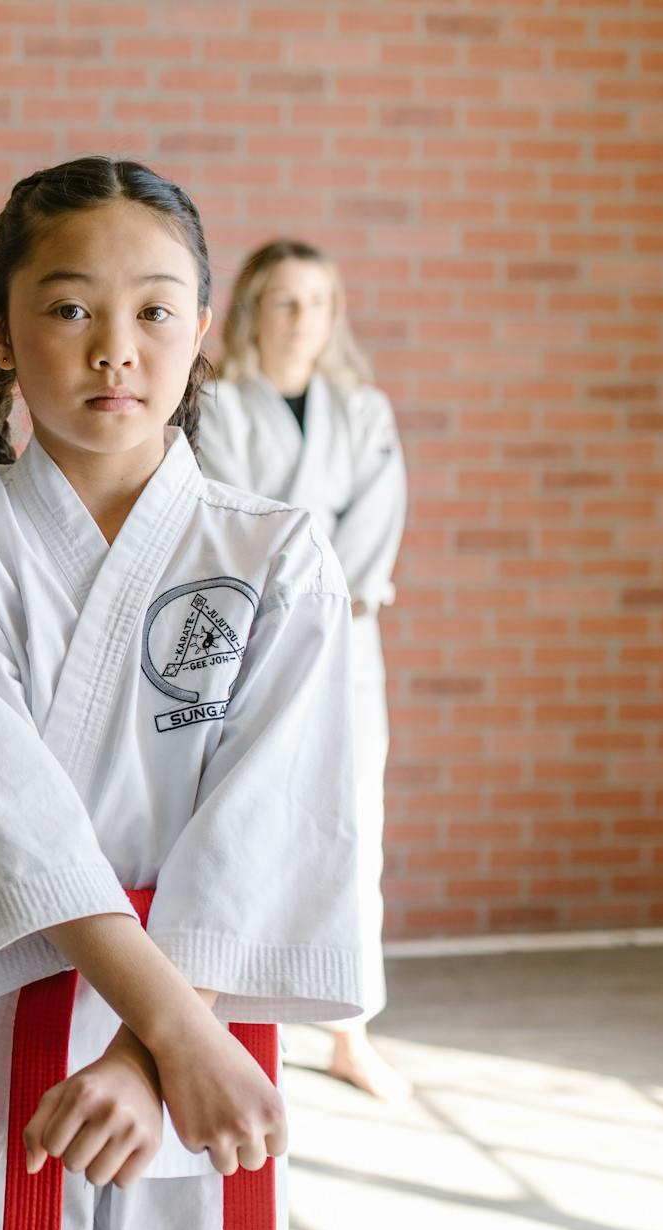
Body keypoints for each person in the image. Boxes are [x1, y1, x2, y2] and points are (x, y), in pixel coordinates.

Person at [0, 158, 365, 1230]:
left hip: (204, 1002)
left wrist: (152, 1054)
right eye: (68, 308)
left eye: (153, 310)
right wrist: (178, 1034)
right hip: (16, 1006)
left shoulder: (277, 553)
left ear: (202, 329)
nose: (115, 348)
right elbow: (2, 822)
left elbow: (273, 824)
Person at [201, 239, 410, 1103]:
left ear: (334, 316)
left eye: (316, 302)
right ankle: (241, 1018)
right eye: (283, 300)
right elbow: (226, 517)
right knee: (247, 820)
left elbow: (378, 518)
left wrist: (329, 592)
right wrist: (296, 591)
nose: (300, 319)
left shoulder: (362, 411)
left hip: (347, 635)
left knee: (355, 821)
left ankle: (350, 1031)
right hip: (254, 637)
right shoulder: (215, 405)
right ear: (253, 309)